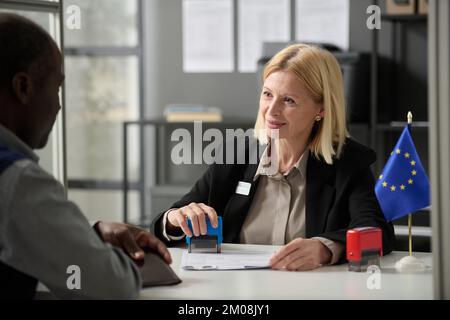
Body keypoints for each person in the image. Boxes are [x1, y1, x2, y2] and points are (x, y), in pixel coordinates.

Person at [151, 44, 395, 271]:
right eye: (268, 94)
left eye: (288, 100)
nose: (272, 110)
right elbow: (163, 227)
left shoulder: (349, 162)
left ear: (321, 109)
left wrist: (326, 249)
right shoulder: (235, 155)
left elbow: (377, 233)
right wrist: (174, 220)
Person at [0, 13, 171, 300]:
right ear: (24, 87)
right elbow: (111, 287)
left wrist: (86, 237)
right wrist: (112, 253)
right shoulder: (16, 180)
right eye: (56, 88)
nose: (58, 106)